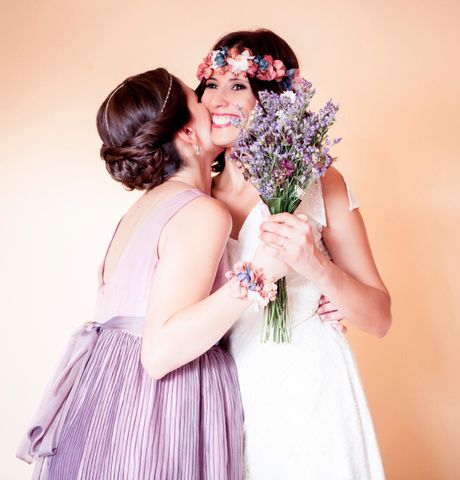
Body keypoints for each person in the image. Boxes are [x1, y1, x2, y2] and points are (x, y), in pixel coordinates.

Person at [17, 67, 285, 479]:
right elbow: (160, 354)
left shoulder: (143, 208)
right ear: (188, 134)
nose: (214, 105)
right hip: (161, 406)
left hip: (105, 396)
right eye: (200, 102)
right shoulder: (201, 212)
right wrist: (261, 271)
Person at [196, 29, 392, 479]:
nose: (219, 99)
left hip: (310, 392)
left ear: (272, 98)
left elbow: (379, 318)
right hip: (221, 398)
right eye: (212, 84)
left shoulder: (322, 183)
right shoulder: (192, 195)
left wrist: (318, 268)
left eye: (239, 85)